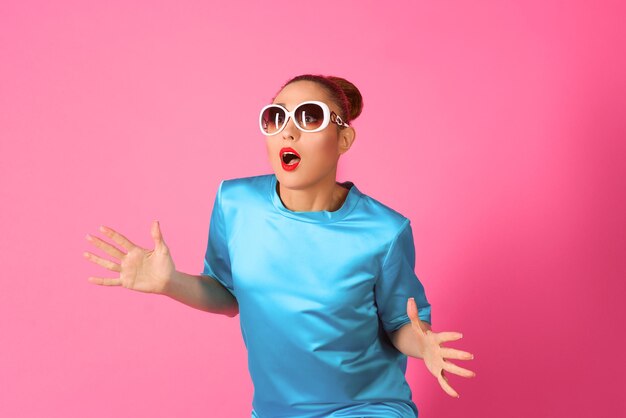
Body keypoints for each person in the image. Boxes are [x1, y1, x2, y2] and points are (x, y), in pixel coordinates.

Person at [84, 74, 476, 418]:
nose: (288, 131)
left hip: (365, 408)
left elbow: (398, 324)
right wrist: (171, 282)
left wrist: (422, 344)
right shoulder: (234, 202)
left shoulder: (384, 231)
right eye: (276, 118)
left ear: (344, 138)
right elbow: (226, 294)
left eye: (309, 117)